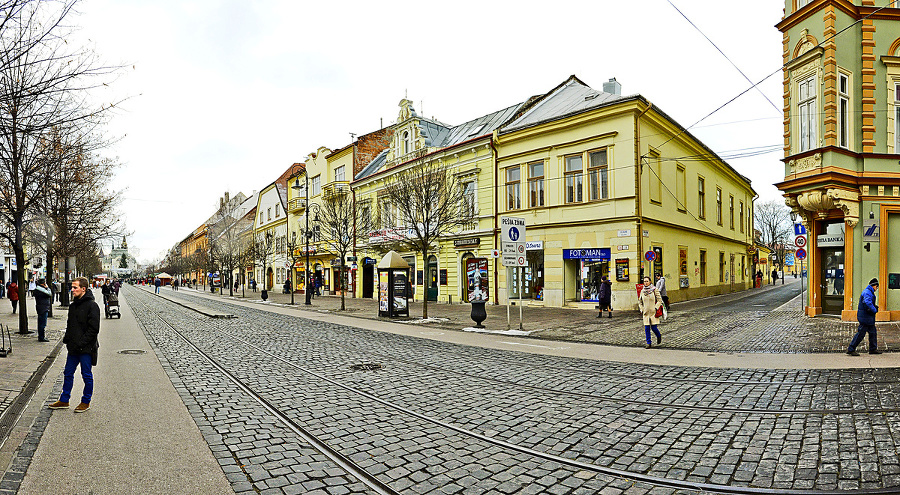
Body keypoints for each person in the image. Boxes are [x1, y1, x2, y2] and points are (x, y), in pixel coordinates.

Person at [49, 277, 100, 413]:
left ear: (83, 289)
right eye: (72, 287)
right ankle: (64, 400)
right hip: (73, 348)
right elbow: (70, 325)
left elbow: (94, 329)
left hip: (86, 348)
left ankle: (85, 401)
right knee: (68, 373)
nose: (72, 290)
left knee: (86, 375)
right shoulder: (73, 305)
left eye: (75, 287)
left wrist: (81, 343)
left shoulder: (92, 306)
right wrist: (67, 340)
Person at [847, 278, 881, 356]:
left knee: (873, 333)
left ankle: (873, 349)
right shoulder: (867, 292)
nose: (877, 289)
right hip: (865, 317)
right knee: (860, 334)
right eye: (877, 287)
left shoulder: (869, 291)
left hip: (868, 317)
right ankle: (851, 349)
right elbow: (867, 302)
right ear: (874, 286)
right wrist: (874, 309)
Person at [638, 276, 663, 349]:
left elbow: (659, 300)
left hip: (653, 312)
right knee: (647, 328)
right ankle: (648, 343)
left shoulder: (655, 290)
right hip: (646, 313)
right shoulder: (642, 291)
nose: (645, 283)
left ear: (650, 282)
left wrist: (656, 307)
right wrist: (642, 309)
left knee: (654, 328)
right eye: (644, 281)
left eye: (647, 281)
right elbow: (640, 302)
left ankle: (658, 336)